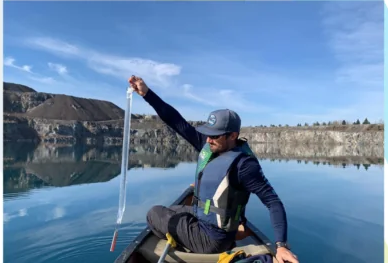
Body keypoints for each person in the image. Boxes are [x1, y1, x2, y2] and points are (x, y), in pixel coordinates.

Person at [127, 75, 299, 263]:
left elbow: (273, 201)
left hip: (212, 239)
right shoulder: (209, 145)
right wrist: (146, 93)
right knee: (173, 209)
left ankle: (193, 245)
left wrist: (281, 246)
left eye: (215, 136)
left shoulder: (244, 166)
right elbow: (176, 121)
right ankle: (218, 233)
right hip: (208, 222)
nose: (208, 139)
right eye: (208, 134)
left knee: (154, 213)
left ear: (233, 135)